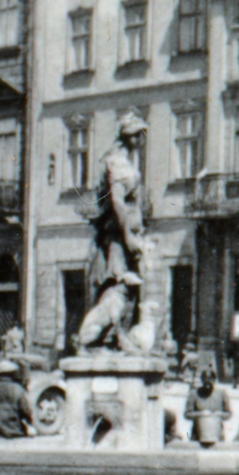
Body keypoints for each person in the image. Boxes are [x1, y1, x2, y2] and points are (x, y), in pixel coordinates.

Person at [77, 110, 149, 351]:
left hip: (127, 232)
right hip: (118, 234)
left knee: (131, 285)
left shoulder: (126, 161)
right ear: (128, 136)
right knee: (118, 283)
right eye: (137, 134)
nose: (141, 140)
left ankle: (119, 334)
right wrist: (128, 234)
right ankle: (112, 336)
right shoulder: (116, 161)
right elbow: (117, 201)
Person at [187, 367, 231, 447]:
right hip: (198, 434)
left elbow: (228, 414)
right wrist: (200, 414)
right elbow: (187, 414)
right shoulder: (194, 394)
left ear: (214, 380)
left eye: (210, 379)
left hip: (216, 433)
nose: (207, 382)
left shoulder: (221, 393)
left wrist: (220, 414)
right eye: (205, 379)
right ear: (202, 380)